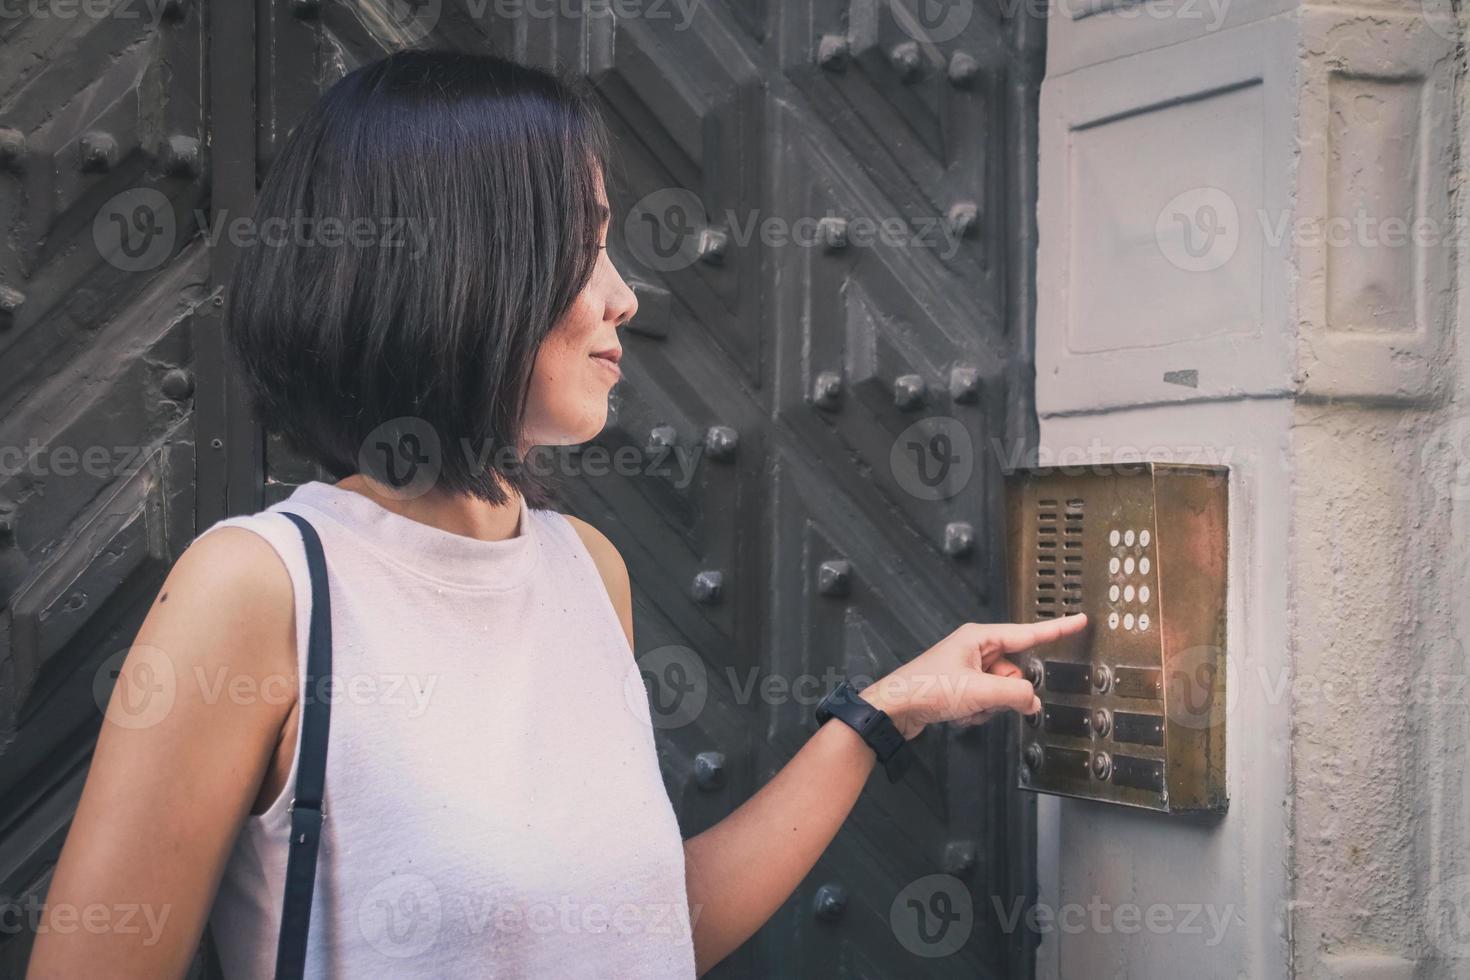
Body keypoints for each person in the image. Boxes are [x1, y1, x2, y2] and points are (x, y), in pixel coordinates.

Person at [27, 50, 1086, 979]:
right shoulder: (266, 585)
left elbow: (637, 933)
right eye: (582, 246)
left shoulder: (588, 566)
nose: (624, 294)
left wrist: (883, 714)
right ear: (455, 264)